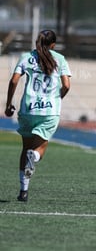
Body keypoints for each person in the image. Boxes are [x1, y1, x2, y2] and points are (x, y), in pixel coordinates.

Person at [4, 29, 71, 202]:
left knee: (25, 148)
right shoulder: (60, 59)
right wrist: (57, 97)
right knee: (38, 149)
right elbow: (67, 85)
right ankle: (35, 156)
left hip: (28, 110)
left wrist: (8, 104)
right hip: (49, 111)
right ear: (53, 45)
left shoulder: (26, 57)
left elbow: (14, 81)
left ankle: (23, 190)